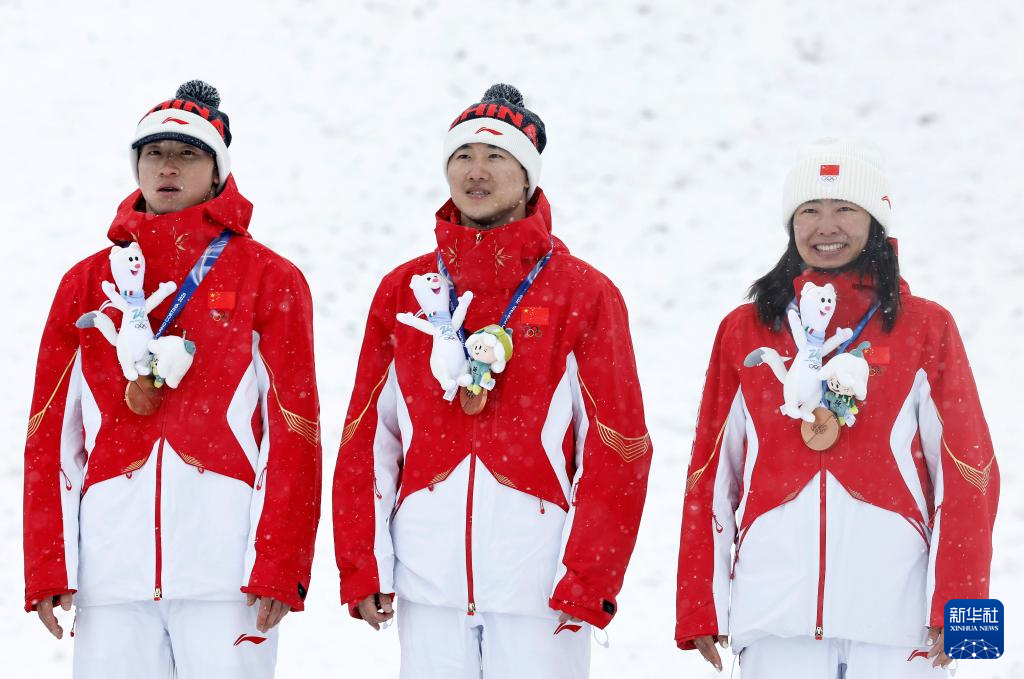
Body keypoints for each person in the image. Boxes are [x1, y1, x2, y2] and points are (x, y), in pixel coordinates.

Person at [334, 84, 653, 678]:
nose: (475, 171)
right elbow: (368, 438)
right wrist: (364, 564)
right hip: (428, 582)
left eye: (495, 156)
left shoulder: (584, 294)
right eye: (462, 156)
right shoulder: (404, 290)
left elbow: (619, 447)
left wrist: (587, 577)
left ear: (528, 176)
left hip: (541, 588)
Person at [22, 80, 321, 679]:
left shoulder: (269, 278)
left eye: (187, 154)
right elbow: (49, 434)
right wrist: (50, 565)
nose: (167, 167)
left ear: (217, 172)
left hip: (227, 573)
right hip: (110, 573)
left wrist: (280, 561)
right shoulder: (85, 283)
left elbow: (295, 432)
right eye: (154, 153)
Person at [674, 138, 999, 678]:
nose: (826, 226)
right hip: (774, 621)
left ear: (875, 220)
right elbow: (710, 474)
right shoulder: (745, 330)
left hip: (900, 626)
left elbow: (969, 471)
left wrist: (965, 615)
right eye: (809, 210)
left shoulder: (926, 327)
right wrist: (698, 606)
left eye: (845, 208)